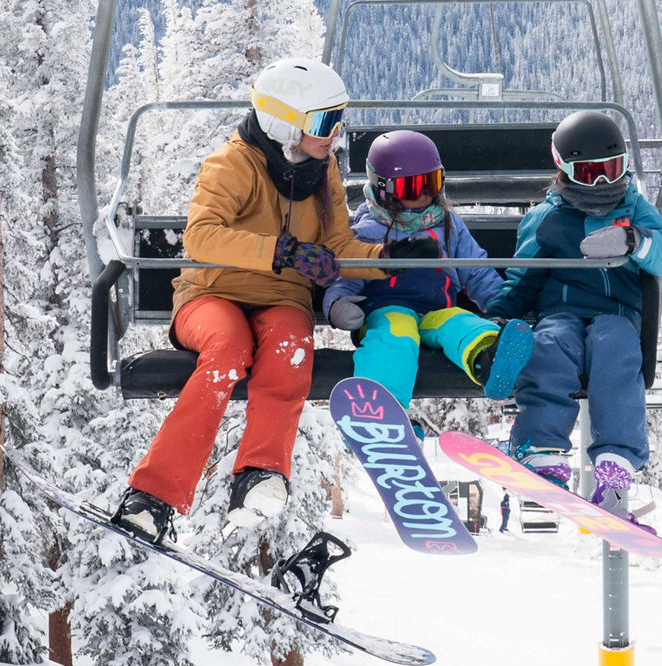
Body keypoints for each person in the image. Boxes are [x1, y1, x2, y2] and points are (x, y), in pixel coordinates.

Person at [109, 59, 384, 546]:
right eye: (325, 122)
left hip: (282, 298)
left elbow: (340, 246)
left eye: (339, 119)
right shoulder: (232, 163)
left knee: (290, 349)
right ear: (285, 123)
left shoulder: (323, 173)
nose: (336, 134)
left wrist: (390, 258)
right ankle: (153, 496)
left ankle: (259, 474)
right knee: (228, 352)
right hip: (211, 294)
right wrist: (282, 251)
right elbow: (202, 237)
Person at [483, 111, 662, 513]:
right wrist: (500, 315)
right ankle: (542, 450)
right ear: (565, 170)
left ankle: (616, 465)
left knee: (617, 350)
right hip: (561, 312)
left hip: (617, 313)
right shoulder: (548, 218)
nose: (604, 183)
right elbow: (525, 275)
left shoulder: (634, 208)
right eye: (591, 173)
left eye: (612, 169)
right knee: (550, 348)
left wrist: (633, 240)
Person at [323, 130, 537, 409]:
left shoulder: (448, 225)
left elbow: (475, 271)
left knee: (463, 324)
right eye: (412, 187)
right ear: (384, 187)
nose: (424, 194)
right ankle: (385, 410)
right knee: (395, 336)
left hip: (435, 313)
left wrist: (501, 306)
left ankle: (490, 359)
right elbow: (348, 275)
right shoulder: (369, 231)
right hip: (386, 312)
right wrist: (337, 305)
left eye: (431, 183)